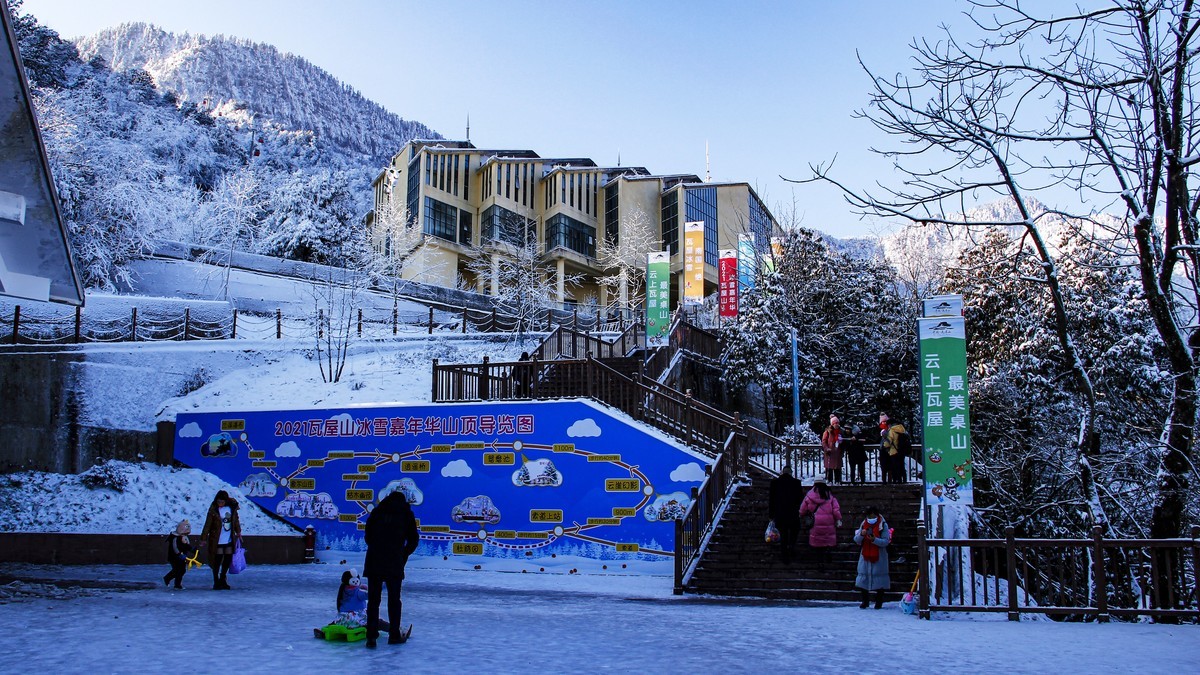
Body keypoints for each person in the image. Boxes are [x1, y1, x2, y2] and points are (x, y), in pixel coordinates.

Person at [364, 490, 420, 648]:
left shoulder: (377, 512)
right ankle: (394, 634)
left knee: (373, 601)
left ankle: (371, 637)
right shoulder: (406, 513)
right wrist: (403, 555)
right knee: (394, 600)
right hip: (394, 562)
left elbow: (368, 536)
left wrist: (377, 548)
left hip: (374, 561)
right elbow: (413, 540)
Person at [313, 569, 390, 639]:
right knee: (376, 622)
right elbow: (371, 593)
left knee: (336, 622)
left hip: (342, 619)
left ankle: (325, 630)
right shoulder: (358, 592)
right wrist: (384, 584)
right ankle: (393, 628)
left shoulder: (343, 590)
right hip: (355, 619)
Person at [200, 489, 241, 590]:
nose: (220, 504)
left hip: (228, 538)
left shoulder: (231, 508)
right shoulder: (214, 509)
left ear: (225, 501)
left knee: (227, 559)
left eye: (222, 502)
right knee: (217, 560)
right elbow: (208, 524)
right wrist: (204, 538)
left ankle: (223, 578)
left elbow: (235, 521)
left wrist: (238, 531)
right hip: (216, 539)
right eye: (218, 502)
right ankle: (216, 580)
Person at [853, 506, 891, 609]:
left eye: (873, 516)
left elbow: (885, 541)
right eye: (870, 516)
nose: (871, 518)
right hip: (865, 555)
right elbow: (856, 540)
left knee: (880, 580)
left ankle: (879, 602)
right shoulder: (863, 524)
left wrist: (875, 540)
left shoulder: (883, 525)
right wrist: (862, 534)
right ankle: (865, 601)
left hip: (879, 556)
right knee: (863, 579)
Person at [767, 465, 805, 564]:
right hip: (793, 514)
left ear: (782, 472)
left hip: (780, 514)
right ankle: (791, 547)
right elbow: (800, 499)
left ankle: (784, 555)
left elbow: (772, 500)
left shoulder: (775, 483)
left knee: (783, 535)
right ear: (791, 473)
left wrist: (771, 515)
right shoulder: (796, 483)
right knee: (794, 532)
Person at [798, 478, 841, 561]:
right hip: (829, 522)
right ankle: (828, 554)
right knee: (827, 539)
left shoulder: (809, 496)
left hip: (815, 522)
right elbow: (836, 510)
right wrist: (838, 519)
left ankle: (819, 560)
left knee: (818, 542)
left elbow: (802, 509)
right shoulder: (829, 496)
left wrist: (801, 514)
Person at [162, 519, 193, 589]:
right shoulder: (175, 538)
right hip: (174, 557)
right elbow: (175, 547)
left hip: (181, 557)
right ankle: (172, 581)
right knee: (177, 570)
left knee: (182, 570)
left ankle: (175, 583)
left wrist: (193, 550)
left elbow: (186, 546)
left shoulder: (183, 537)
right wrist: (179, 554)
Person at [881, 414, 909, 483]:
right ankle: (904, 480)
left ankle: (897, 480)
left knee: (895, 466)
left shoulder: (892, 430)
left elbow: (889, 441)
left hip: (894, 450)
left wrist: (884, 445)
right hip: (901, 450)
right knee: (902, 465)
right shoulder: (902, 429)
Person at [821, 415, 844, 483]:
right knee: (829, 468)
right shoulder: (827, 432)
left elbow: (843, 441)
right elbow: (824, 441)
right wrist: (826, 448)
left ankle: (838, 481)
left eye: (837, 423)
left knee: (837, 468)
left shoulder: (841, 431)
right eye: (835, 423)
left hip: (838, 453)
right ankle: (829, 481)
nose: (836, 425)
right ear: (832, 424)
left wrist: (841, 442)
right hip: (830, 453)